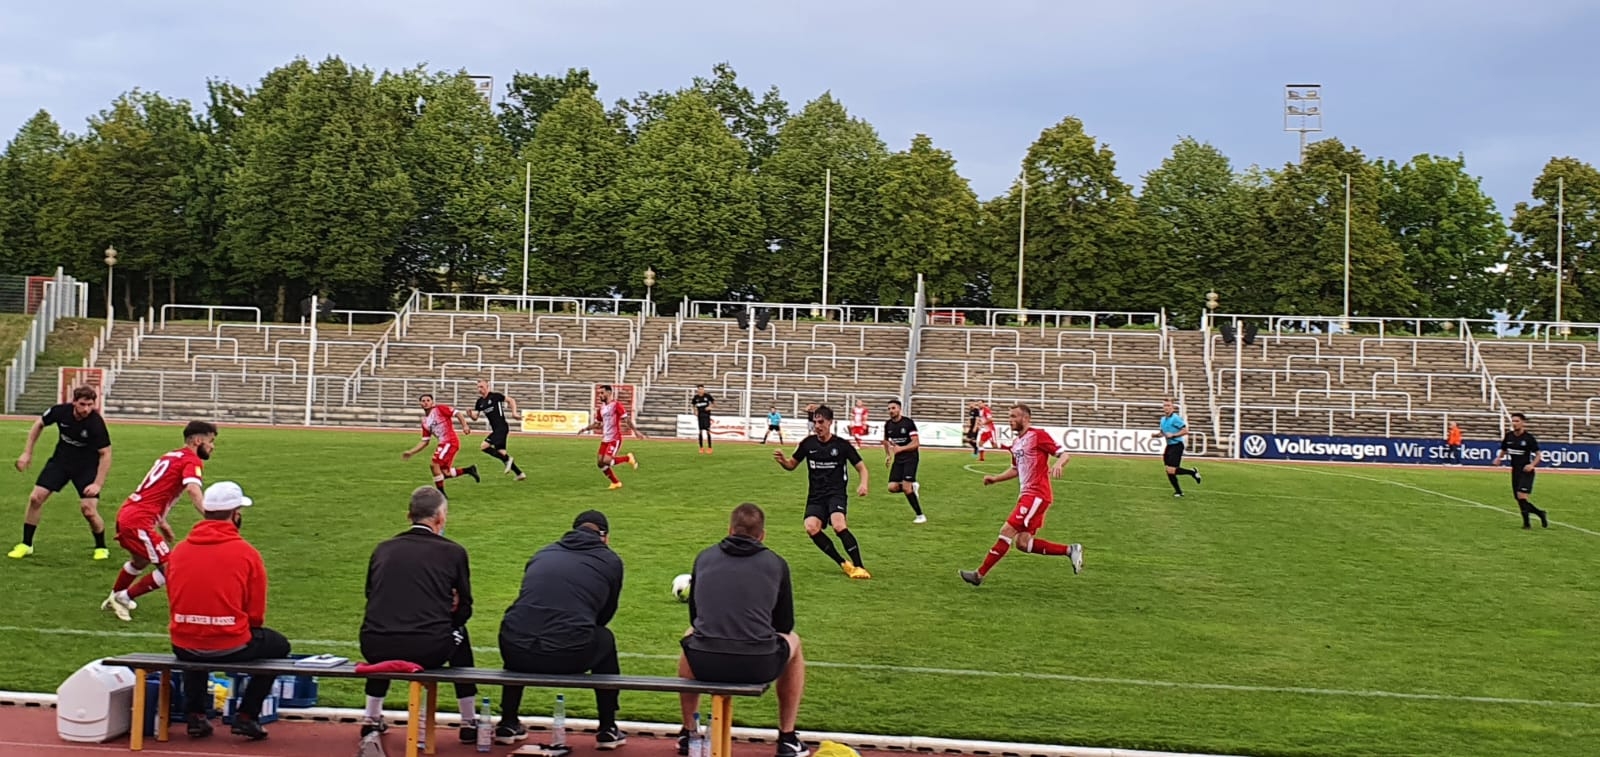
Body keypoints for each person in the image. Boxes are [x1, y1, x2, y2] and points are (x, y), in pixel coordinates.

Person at [676, 503, 808, 757]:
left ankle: (689, 732)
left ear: (730, 530)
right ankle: (787, 736)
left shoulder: (704, 558)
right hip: (757, 664)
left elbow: (695, 617)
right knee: (794, 640)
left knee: (690, 635)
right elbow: (784, 625)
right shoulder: (776, 563)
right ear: (762, 535)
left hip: (706, 662)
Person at [165, 481, 289, 741]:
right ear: (235, 514)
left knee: (195, 639)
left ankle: (195, 714)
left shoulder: (179, 551)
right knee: (279, 646)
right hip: (230, 643)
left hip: (183, 642)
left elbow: (175, 597)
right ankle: (247, 715)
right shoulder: (246, 553)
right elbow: (256, 614)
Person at [357, 487, 482, 742]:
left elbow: (371, 594)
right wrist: (449, 614)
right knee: (460, 634)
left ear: (408, 516)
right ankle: (468, 720)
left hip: (374, 645)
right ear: (441, 518)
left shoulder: (383, 549)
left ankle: (371, 717)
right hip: (428, 648)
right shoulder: (453, 552)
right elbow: (465, 608)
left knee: (385, 624)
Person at [495, 510, 626, 748]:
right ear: (604, 536)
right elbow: (605, 614)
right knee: (605, 639)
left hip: (515, 649)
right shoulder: (610, 560)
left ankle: (508, 721)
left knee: (521, 629)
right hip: (568, 654)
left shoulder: (543, 553)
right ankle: (608, 727)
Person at [102, 421, 216, 622]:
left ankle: (116, 595)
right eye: (211, 441)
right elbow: (193, 489)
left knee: (140, 560)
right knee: (171, 569)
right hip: (139, 520)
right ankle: (123, 598)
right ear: (198, 440)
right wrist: (211, 517)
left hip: (129, 513)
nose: (212, 447)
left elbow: (157, 490)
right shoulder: (192, 460)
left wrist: (162, 522)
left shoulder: (171, 455)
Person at [960, 404, 1082, 586]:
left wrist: (1058, 464)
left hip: (1036, 494)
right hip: (1028, 496)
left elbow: (1064, 454)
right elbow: (1015, 469)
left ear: (1025, 418)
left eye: (1014, 416)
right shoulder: (1016, 443)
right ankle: (1070, 550)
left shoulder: (1037, 435)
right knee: (1023, 543)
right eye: (1009, 416)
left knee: (1006, 531)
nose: (1010, 420)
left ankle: (979, 575)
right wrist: (995, 479)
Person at [9, 386, 113, 560]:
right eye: (82, 404)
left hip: (86, 468)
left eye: (90, 405)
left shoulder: (95, 423)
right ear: (74, 402)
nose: (86, 409)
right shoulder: (60, 412)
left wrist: (97, 483)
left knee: (88, 510)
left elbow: (106, 453)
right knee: (35, 498)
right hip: (60, 462)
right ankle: (26, 545)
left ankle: (101, 547)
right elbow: (39, 424)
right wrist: (27, 453)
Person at [772, 405, 870, 579]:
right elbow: (791, 465)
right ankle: (843, 563)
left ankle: (860, 566)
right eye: (815, 422)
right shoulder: (808, 444)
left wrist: (863, 484)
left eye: (821, 422)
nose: (817, 426)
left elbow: (862, 468)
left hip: (836, 493)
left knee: (839, 525)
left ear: (830, 422)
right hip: (816, 496)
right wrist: (783, 461)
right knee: (811, 527)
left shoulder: (841, 445)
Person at [402, 393, 479, 494]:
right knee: (444, 473)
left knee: (434, 465)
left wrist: (465, 425)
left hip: (450, 442)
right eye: (423, 401)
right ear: (420, 404)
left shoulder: (439, 409)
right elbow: (425, 441)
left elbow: (457, 413)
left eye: (428, 400)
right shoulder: (425, 422)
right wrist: (411, 452)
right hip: (444, 444)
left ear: (432, 402)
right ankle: (469, 470)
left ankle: (441, 494)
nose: (426, 403)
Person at [1493, 413, 1548, 529]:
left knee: (1521, 496)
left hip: (1526, 471)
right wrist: (1499, 458)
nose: (1514, 423)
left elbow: (1538, 455)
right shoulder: (1509, 436)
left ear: (1523, 422)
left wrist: (1532, 465)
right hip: (1515, 471)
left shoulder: (1528, 438)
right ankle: (1539, 513)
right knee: (1519, 499)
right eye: (1513, 421)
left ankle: (1527, 524)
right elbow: (1504, 449)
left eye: (1517, 421)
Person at [582, 385, 642, 490]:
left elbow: (626, 419)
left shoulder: (616, 405)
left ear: (609, 393)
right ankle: (616, 483)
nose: (600, 395)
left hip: (615, 438)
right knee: (600, 463)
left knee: (606, 460)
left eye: (602, 393)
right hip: (605, 438)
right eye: (599, 393)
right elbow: (597, 424)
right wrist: (585, 428)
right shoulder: (601, 409)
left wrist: (635, 431)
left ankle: (628, 458)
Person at [880, 400, 925, 523]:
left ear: (899, 409)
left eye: (893, 408)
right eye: (889, 409)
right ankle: (913, 487)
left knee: (906, 488)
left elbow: (916, 443)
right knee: (892, 487)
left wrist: (901, 448)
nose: (891, 411)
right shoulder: (888, 424)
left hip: (911, 457)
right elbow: (885, 440)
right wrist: (888, 455)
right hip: (899, 459)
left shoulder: (908, 423)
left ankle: (920, 516)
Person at [470, 380, 524, 481]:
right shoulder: (479, 402)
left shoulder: (495, 396)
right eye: (478, 387)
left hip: (502, 427)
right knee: (501, 453)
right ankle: (519, 474)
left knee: (484, 446)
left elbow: (511, 400)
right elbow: (475, 418)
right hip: (496, 429)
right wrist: (470, 415)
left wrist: (514, 413)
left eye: (481, 387)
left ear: (487, 386)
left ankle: (508, 460)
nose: (479, 389)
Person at [1152, 398, 1201, 497]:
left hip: (1177, 445)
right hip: (1169, 446)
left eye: (1168, 405)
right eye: (1165, 405)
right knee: (1169, 471)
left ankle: (1192, 472)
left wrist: (1174, 435)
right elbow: (1163, 432)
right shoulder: (1163, 419)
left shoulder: (1175, 418)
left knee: (1171, 470)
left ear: (1173, 407)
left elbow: (1185, 431)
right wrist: (1157, 435)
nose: (1166, 407)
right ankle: (1178, 492)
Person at [691, 385, 716, 455]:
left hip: (706, 415)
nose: (701, 390)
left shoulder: (707, 396)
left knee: (708, 431)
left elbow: (714, 402)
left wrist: (710, 407)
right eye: (699, 389)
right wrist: (695, 411)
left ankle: (710, 448)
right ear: (697, 390)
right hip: (700, 416)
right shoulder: (696, 397)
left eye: (702, 389)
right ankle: (701, 448)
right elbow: (693, 405)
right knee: (700, 431)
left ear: (703, 389)